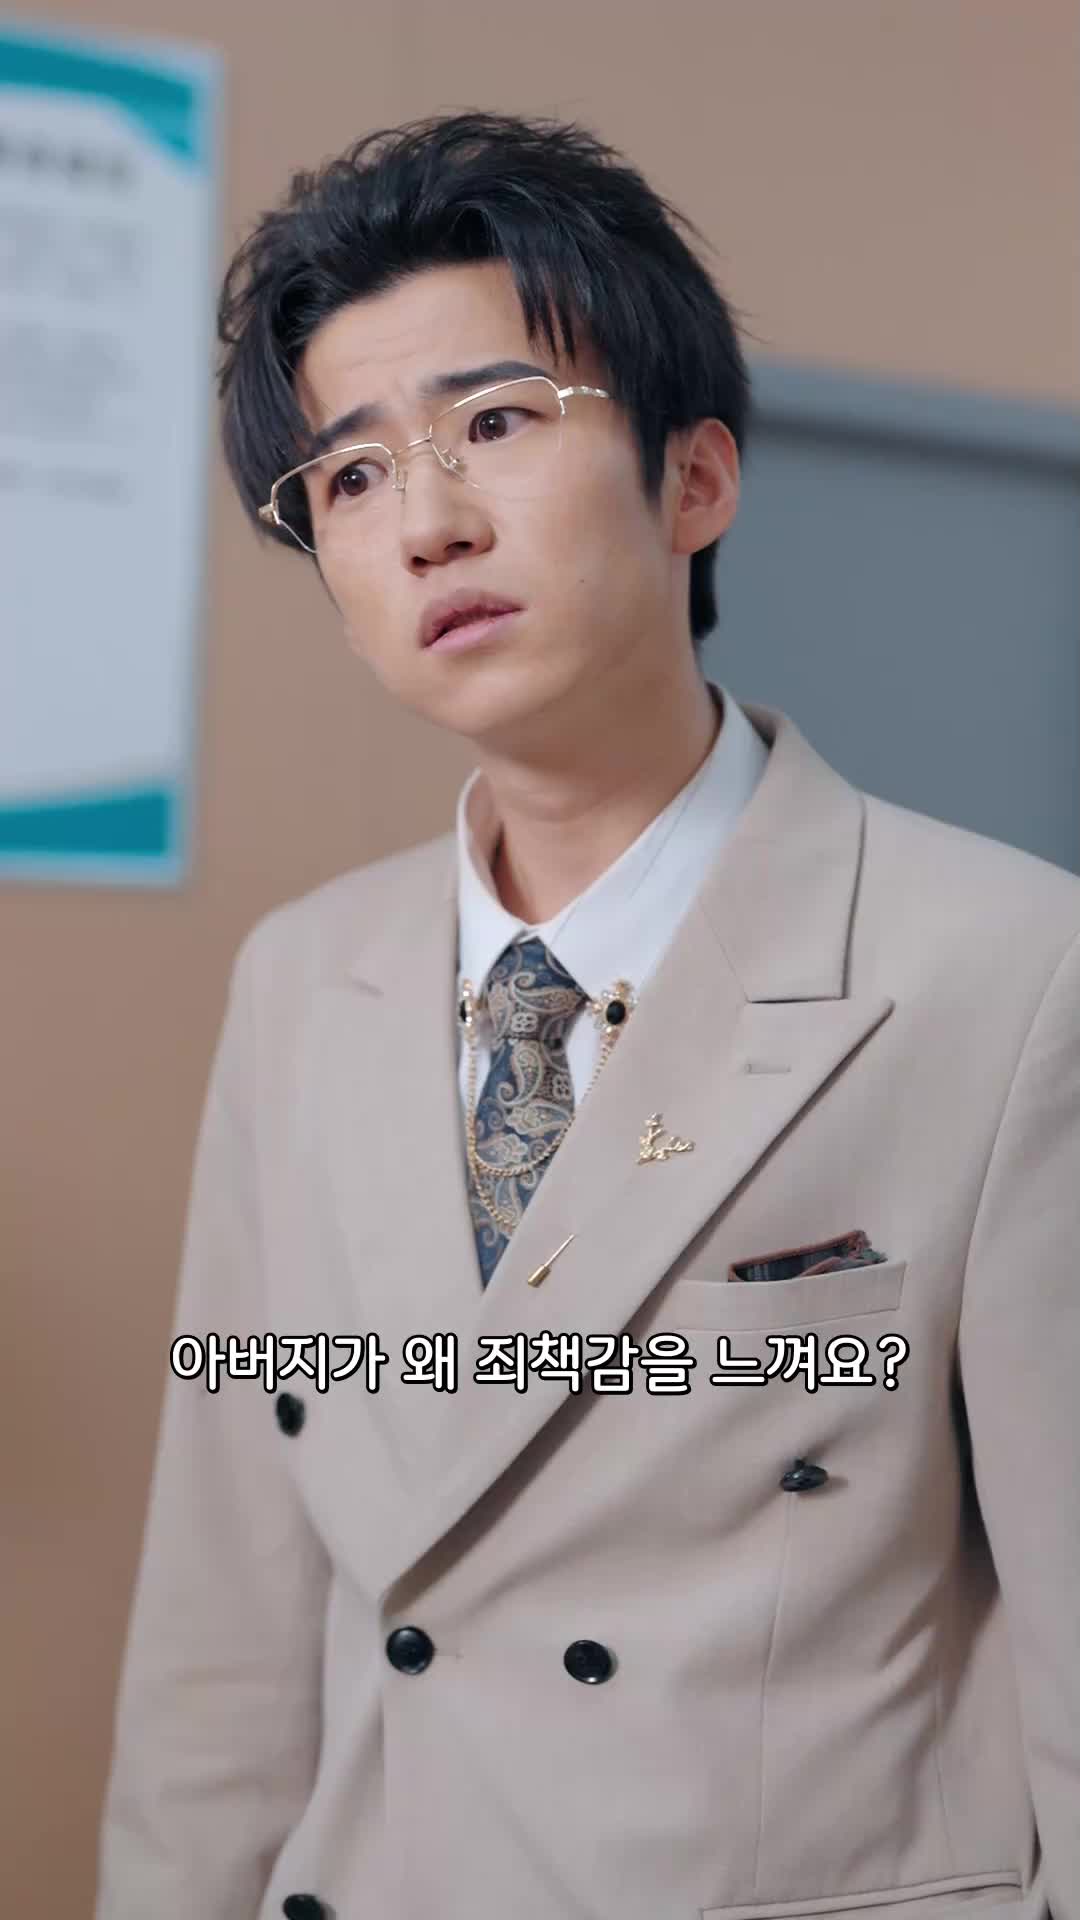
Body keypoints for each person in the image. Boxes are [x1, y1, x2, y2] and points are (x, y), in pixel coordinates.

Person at [95, 110, 1079, 1920]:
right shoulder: (303, 981)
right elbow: (218, 1642)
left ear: (695, 481)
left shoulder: (1012, 971)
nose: (428, 523)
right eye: (351, 476)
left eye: (493, 423)